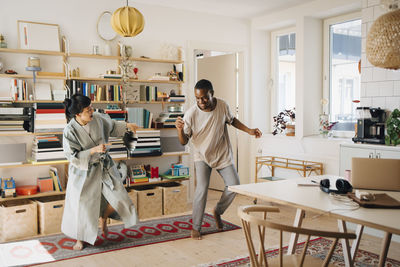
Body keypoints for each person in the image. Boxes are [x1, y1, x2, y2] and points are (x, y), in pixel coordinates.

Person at [175, 79, 262, 240]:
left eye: (204, 97)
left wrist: (249, 130)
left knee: (235, 185)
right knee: (201, 188)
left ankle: (217, 211)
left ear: (212, 94)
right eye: (197, 98)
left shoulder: (222, 105)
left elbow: (232, 120)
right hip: (202, 155)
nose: (201, 101)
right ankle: (196, 227)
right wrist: (180, 130)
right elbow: (183, 142)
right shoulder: (191, 114)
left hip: (222, 154)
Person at [61, 94, 139, 250]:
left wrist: (128, 126)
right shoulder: (69, 131)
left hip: (104, 167)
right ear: (78, 114)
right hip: (84, 172)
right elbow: (72, 157)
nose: (92, 110)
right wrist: (92, 150)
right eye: (88, 109)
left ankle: (103, 217)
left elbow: (112, 126)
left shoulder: (97, 118)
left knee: (119, 197)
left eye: (91, 107)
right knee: (82, 206)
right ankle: (80, 239)